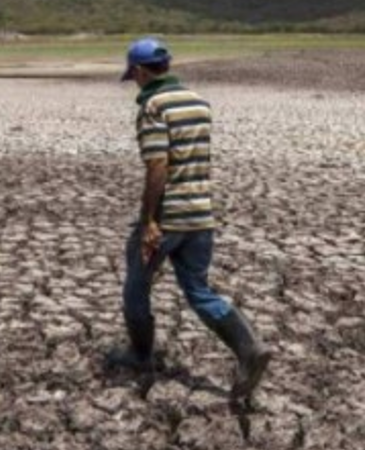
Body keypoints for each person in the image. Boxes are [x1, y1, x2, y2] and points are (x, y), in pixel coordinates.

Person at [106, 36, 271, 403]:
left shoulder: (153, 107)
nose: (133, 81)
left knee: (136, 288)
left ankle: (140, 355)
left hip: (168, 219)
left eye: (133, 74)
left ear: (139, 70)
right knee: (198, 290)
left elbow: (158, 166)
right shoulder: (199, 102)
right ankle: (249, 349)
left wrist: (149, 220)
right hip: (201, 215)